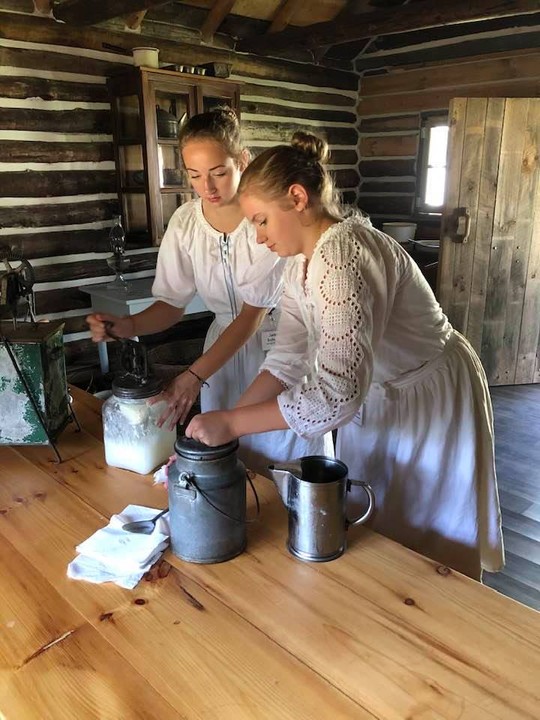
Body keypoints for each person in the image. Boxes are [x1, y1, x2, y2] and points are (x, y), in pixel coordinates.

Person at [185, 130, 504, 580]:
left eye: (259, 221)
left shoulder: (343, 254)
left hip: (427, 392)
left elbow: (335, 393)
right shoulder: (300, 264)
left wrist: (232, 423)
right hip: (380, 395)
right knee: (378, 530)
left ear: (297, 198)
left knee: (430, 540)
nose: (257, 239)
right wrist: (234, 424)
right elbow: (287, 358)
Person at [86, 109, 332, 475]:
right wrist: (126, 325)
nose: (207, 187)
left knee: (286, 458)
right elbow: (171, 303)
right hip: (220, 358)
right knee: (227, 461)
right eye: (195, 175)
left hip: (281, 350)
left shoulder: (267, 219)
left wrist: (192, 378)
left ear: (243, 161)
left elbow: (253, 315)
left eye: (219, 173)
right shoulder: (186, 223)